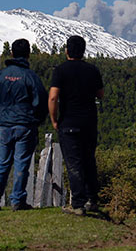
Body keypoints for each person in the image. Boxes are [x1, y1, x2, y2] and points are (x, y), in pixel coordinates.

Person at [0, 39, 48, 211]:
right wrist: (37, 120)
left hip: (5, 124)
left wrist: (1, 114)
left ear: (11, 53)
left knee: (2, 162)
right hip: (25, 124)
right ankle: (17, 200)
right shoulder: (30, 76)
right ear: (28, 54)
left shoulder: (1, 75)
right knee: (21, 163)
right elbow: (40, 101)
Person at [48, 35, 104, 216]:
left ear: (66, 51)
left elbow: (53, 97)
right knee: (89, 161)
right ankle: (92, 200)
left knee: (74, 164)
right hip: (89, 122)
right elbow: (100, 94)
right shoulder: (92, 70)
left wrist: (54, 119)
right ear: (83, 51)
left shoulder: (60, 70)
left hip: (68, 122)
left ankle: (77, 203)